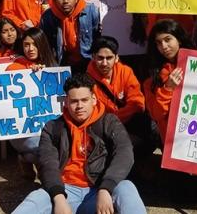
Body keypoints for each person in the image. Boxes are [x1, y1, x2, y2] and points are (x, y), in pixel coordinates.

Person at [12, 73, 145, 214]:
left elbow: (125, 153)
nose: (79, 106)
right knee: (36, 198)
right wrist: (58, 198)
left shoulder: (109, 122)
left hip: (99, 190)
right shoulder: (52, 127)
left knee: (126, 187)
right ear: (66, 102)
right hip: (65, 191)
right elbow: (47, 163)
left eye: (84, 100)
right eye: (74, 101)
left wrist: (106, 188)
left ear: (93, 99)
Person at [6, 27, 60, 179]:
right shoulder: (13, 69)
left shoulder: (54, 68)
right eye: (26, 45)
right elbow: (5, 100)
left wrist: (43, 76)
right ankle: (28, 160)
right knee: (41, 149)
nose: (30, 49)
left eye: (34, 44)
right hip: (26, 130)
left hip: (49, 126)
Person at [143, 19, 193, 145]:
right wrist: (167, 89)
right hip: (174, 147)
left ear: (179, 39)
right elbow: (156, 115)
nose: (163, 46)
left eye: (167, 39)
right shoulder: (151, 80)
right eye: (159, 43)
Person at [39, 0, 101, 72]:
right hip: (61, 65)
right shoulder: (47, 17)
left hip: (89, 63)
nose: (65, 1)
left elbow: (99, 40)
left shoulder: (92, 12)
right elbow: (45, 48)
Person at [85, 36, 145, 126]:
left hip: (126, 120)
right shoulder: (86, 80)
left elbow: (137, 102)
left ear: (116, 58)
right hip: (104, 126)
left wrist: (116, 117)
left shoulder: (126, 72)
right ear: (93, 57)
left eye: (109, 58)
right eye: (100, 58)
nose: (104, 63)